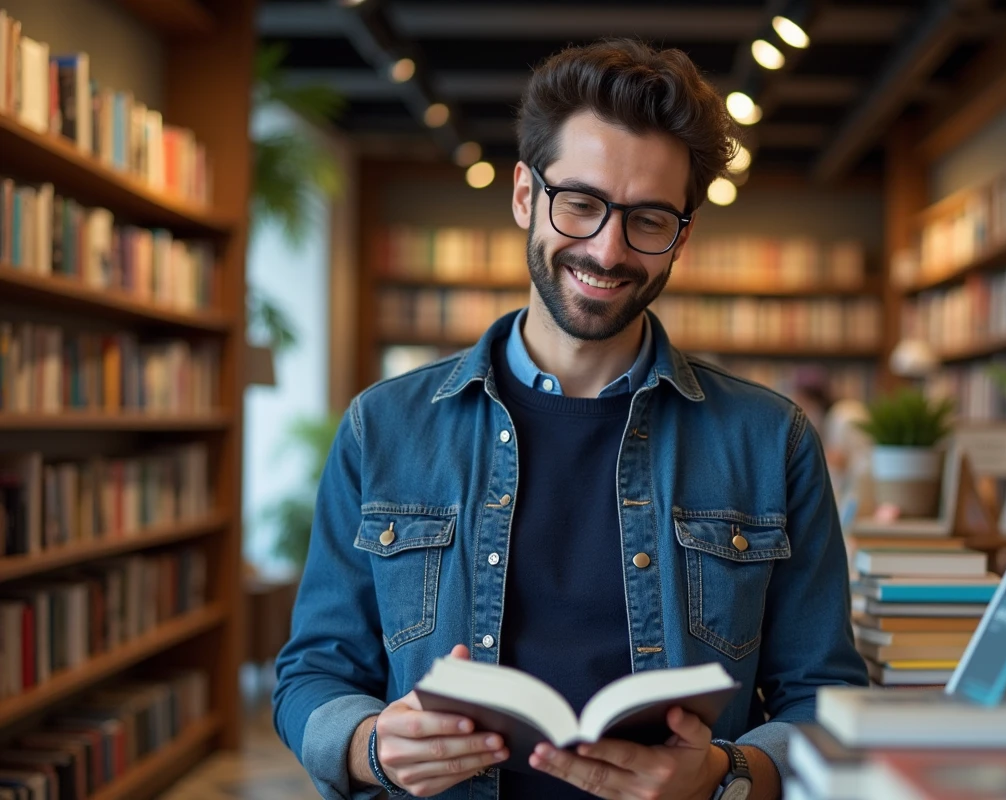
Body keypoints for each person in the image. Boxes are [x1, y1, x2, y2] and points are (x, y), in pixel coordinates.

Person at [273, 39, 868, 800]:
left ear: (682, 236)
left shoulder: (770, 441)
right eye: (580, 204)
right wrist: (370, 746)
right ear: (526, 194)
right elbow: (313, 674)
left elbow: (824, 700)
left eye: (648, 219)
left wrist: (725, 775)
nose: (607, 248)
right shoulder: (383, 428)